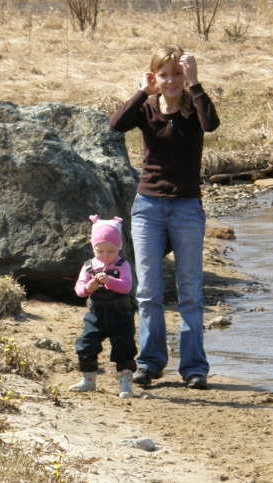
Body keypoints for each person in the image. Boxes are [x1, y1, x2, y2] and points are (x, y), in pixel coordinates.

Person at [109, 44, 220, 390]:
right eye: (164, 74)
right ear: (154, 76)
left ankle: (194, 368)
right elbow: (116, 124)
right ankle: (150, 363)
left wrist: (196, 83)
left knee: (190, 292)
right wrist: (142, 91)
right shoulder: (146, 108)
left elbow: (211, 124)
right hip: (148, 208)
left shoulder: (194, 107)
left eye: (177, 74)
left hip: (187, 208)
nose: (171, 81)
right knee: (148, 291)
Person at [69, 215, 137, 398]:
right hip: (96, 315)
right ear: (93, 248)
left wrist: (110, 281)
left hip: (120, 315)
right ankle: (88, 380)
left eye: (111, 251)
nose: (105, 255)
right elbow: (79, 290)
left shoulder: (122, 265)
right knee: (86, 344)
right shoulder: (88, 266)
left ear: (118, 248)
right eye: (100, 251)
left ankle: (125, 385)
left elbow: (126, 286)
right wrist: (89, 287)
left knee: (124, 346)